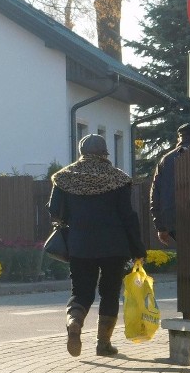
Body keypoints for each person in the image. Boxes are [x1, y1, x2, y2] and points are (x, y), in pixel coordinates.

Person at [49, 134, 147, 357]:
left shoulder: (64, 177)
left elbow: (54, 211)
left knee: (81, 292)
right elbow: (128, 216)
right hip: (114, 246)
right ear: (105, 153)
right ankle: (103, 344)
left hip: (80, 244)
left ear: (81, 151)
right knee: (110, 293)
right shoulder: (118, 178)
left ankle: (74, 321)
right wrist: (138, 249)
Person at [150, 122, 190, 246]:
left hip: (174, 220)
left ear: (179, 137)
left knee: (188, 255)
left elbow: (155, 194)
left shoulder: (166, 160)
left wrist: (161, 227)